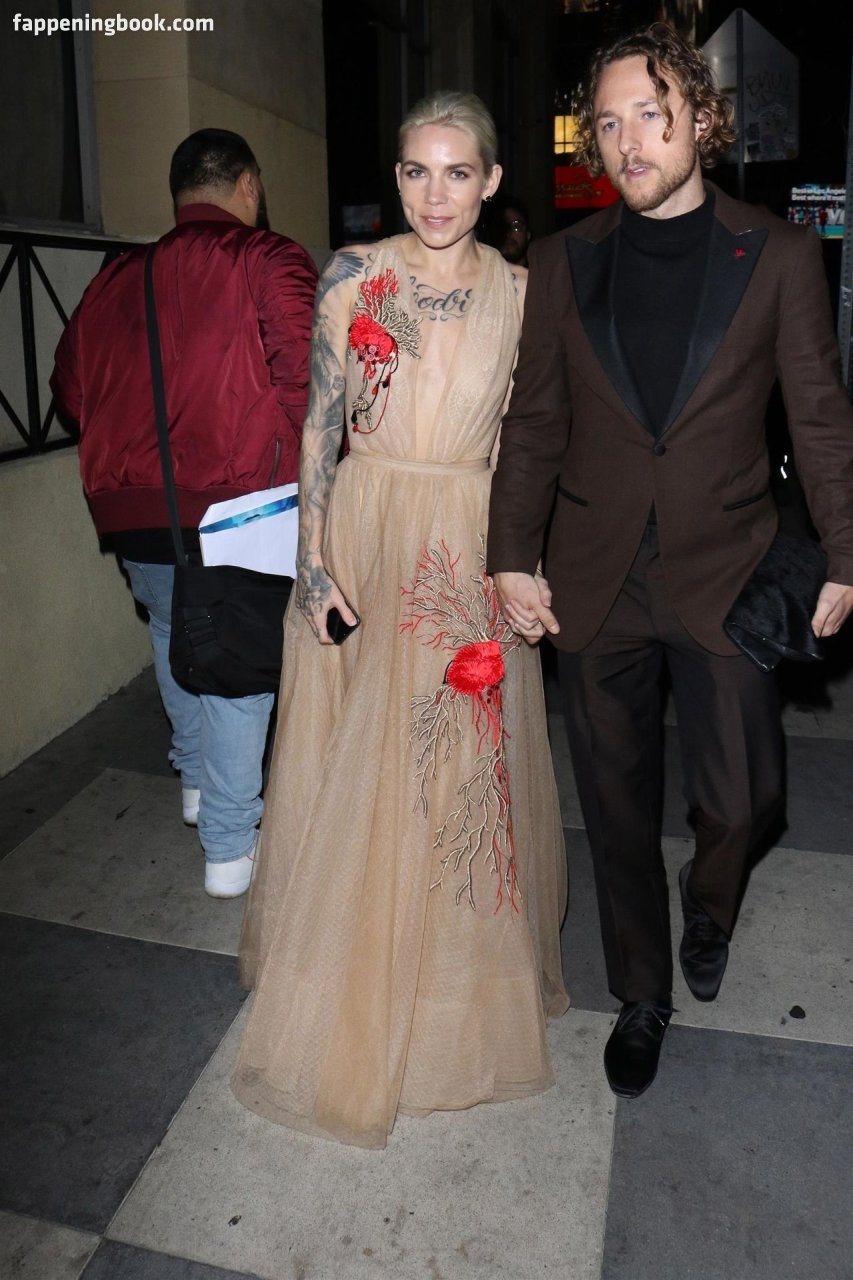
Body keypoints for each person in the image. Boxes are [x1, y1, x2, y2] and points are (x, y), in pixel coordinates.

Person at [487, 23, 853, 1100]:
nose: (627, 141)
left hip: (726, 565)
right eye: (607, 123)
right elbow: (534, 424)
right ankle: (640, 990)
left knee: (744, 800)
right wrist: (510, 554)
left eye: (650, 114)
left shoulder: (775, 254)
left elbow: (818, 416)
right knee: (612, 801)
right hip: (592, 573)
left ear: (702, 118)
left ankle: (709, 901)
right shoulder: (561, 263)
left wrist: (843, 550)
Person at [231, 92, 568, 1148]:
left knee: (456, 761)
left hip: (464, 540)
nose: (435, 193)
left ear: (491, 182)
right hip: (367, 530)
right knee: (358, 752)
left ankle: (444, 990)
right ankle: (346, 957)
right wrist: (310, 562)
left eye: (457, 172)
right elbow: (320, 424)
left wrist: (524, 561)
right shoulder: (352, 274)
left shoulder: (523, 292)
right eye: (417, 171)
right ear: (397, 176)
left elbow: (530, 443)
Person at [51, 129, 318, 899]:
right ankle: (229, 848)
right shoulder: (268, 259)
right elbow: (309, 380)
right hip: (238, 507)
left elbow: (70, 389)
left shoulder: (115, 278)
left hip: (133, 508)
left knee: (177, 636)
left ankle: (198, 784)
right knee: (237, 669)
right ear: (248, 184)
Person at [489, 194, 532, 267]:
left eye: (516, 226)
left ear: (528, 235)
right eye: (502, 226)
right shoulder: (480, 271)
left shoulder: (540, 272)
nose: (508, 233)